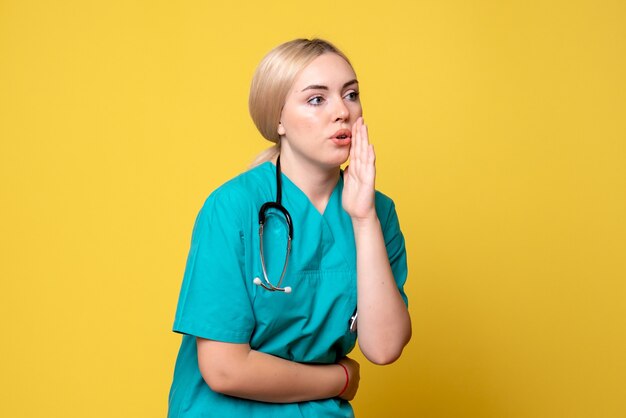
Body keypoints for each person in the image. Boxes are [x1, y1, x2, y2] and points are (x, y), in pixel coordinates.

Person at [168, 38, 411, 418]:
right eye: (317, 99)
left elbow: (384, 348)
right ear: (277, 118)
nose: (342, 112)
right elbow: (223, 369)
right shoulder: (232, 208)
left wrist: (364, 221)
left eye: (351, 94)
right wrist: (339, 381)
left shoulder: (377, 213)